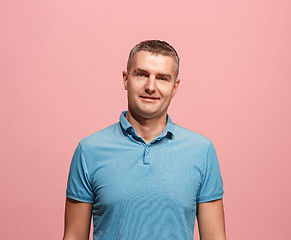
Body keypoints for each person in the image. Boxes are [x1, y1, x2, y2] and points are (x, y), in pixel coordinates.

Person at [63, 40, 226, 240]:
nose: (150, 86)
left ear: (175, 87)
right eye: (142, 74)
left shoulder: (202, 151)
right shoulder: (89, 150)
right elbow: (74, 236)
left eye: (162, 78)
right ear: (125, 79)